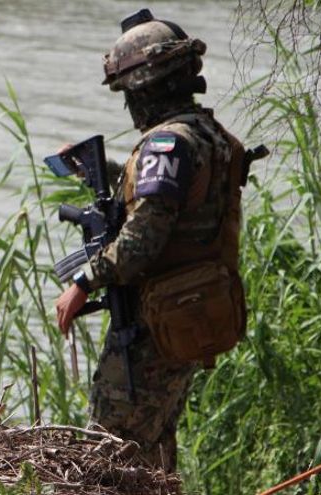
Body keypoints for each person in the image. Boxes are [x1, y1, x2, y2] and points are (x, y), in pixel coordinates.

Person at [54, 9, 248, 471]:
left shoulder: (168, 143)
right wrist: (103, 171)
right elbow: (174, 199)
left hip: (158, 319)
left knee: (110, 444)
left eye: (128, 92)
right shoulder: (207, 134)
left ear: (144, 88)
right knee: (154, 447)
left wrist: (83, 281)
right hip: (189, 308)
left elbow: (145, 236)